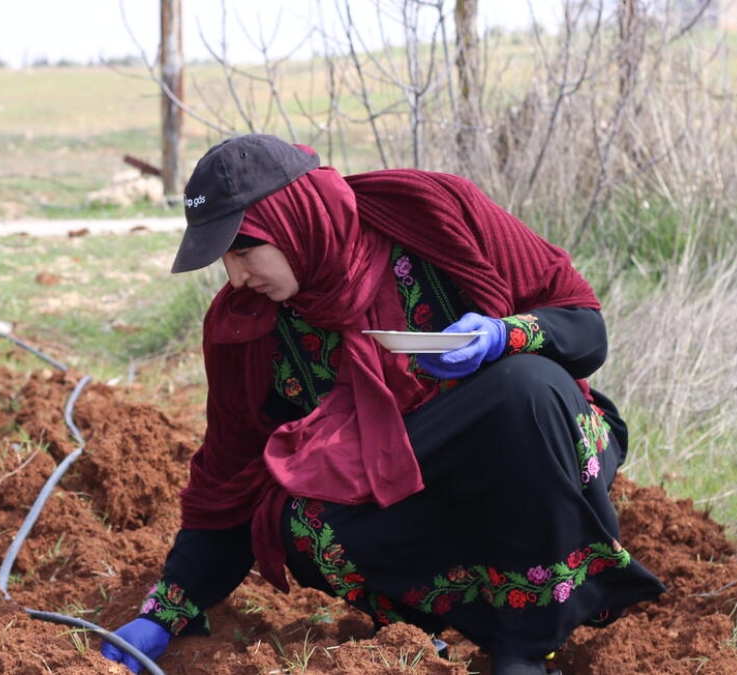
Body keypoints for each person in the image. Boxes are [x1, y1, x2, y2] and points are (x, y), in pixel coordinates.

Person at [100, 134, 666, 675]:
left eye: (245, 250)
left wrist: (504, 335)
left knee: (525, 386)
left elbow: (585, 329)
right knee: (291, 521)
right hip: (403, 484)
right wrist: (165, 611)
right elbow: (230, 475)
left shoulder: (430, 211)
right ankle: (434, 631)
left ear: (296, 222)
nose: (236, 276)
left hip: (528, 448)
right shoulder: (247, 327)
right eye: (224, 258)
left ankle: (525, 641)